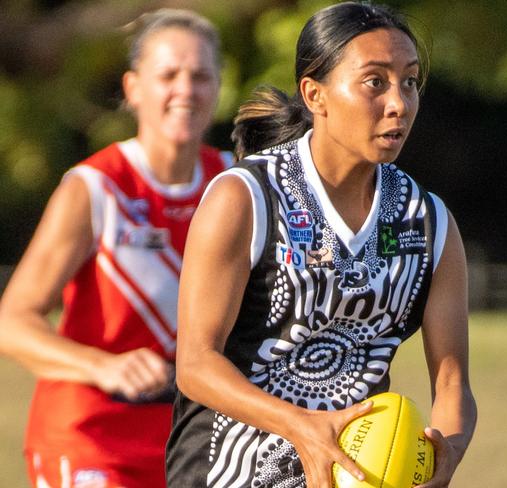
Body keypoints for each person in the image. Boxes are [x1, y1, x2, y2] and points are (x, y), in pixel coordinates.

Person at [166, 2, 477, 488]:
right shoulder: (245, 198)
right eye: (375, 82)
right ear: (315, 94)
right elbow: (196, 365)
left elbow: (453, 383)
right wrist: (303, 429)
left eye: (410, 81)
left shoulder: (428, 222)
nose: (399, 102)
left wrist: (449, 451)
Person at [0, 8, 228, 488]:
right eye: (168, 75)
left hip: (196, 445)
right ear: (132, 88)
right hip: (91, 441)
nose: (185, 90)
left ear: (218, 86)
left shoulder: (235, 184)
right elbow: (12, 321)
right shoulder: (96, 188)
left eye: (200, 76)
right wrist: (104, 366)